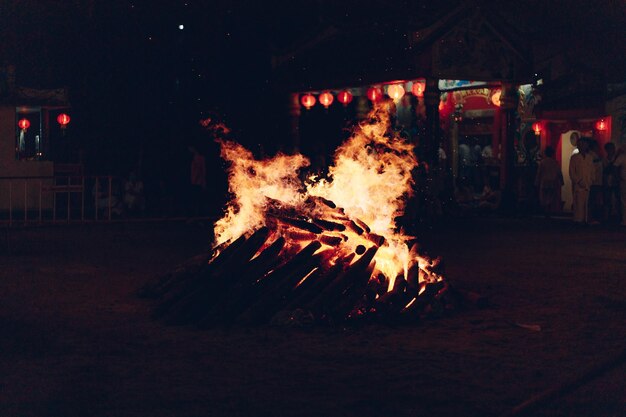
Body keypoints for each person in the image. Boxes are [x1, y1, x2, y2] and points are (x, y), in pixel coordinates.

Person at [569, 138, 595, 224]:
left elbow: (592, 170)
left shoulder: (589, 157)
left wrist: (591, 180)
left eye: (584, 144)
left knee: (586, 203)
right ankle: (578, 220)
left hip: (588, 183)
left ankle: (586, 220)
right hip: (578, 184)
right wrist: (578, 181)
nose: (582, 146)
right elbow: (572, 171)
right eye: (581, 144)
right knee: (578, 203)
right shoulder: (574, 157)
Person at [535, 146, 563, 217]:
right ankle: (550, 211)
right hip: (553, 182)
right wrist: (561, 182)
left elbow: (539, 173)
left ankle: (546, 212)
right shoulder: (555, 162)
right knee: (551, 197)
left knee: (544, 198)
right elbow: (559, 173)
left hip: (544, 182)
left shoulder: (543, 162)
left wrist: (536, 182)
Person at [588, 141, 603, 224]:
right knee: (593, 200)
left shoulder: (594, 155)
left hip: (597, 181)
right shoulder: (591, 156)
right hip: (594, 182)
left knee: (595, 200)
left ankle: (593, 217)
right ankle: (592, 218)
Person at [602, 143, 618, 222]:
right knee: (607, 200)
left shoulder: (617, 159)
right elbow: (605, 171)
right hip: (607, 182)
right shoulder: (605, 160)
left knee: (616, 200)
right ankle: (607, 218)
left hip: (616, 182)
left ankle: (616, 217)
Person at [189, 146, 207, 217]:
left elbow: (202, 170)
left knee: (198, 200)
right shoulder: (193, 158)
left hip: (198, 182)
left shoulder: (200, 158)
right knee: (195, 200)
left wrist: (203, 182)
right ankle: (195, 216)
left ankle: (199, 216)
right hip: (194, 182)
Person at [613, 144, 626, 226]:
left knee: (624, 201)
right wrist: (618, 178)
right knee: (624, 201)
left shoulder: (622, 156)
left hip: (623, 180)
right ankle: (624, 220)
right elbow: (615, 167)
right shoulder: (622, 156)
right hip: (623, 181)